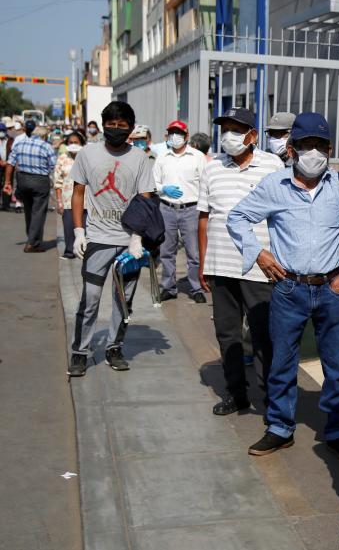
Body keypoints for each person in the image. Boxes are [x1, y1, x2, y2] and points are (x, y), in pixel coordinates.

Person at [227, 111, 339, 459]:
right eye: (304, 145)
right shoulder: (274, 186)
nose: (312, 152)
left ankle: (335, 428)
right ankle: (280, 427)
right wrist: (258, 254)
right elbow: (237, 217)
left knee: (335, 364)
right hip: (289, 289)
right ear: (293, 149)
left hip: (332, 289)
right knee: (282, 362)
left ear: (329, 148)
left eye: (319, 145)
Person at [197, 107, 285, 416]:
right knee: (227, 334)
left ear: (252, 135)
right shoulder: (211, 168)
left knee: (264, 336)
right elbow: (205, 218)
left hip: (260, 267)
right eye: (226, 129)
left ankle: (272, 399)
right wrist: (203, 261)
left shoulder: (272, 165)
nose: (229, 136)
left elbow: (282, 215)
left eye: (237, 129)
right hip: (221, 265)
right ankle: (236, 393)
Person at [66, 101, 155, 377]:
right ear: (103, 125)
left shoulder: (140, 159)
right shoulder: (87, 154)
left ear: (130, 128)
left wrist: (137, 238)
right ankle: (80, 352)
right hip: (98, 240)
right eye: (111, 124)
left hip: (129, 243)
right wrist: (79, 232)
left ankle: (114, 348)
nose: (116, 129)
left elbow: (145, 199)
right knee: (90, 299)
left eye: (122, 125)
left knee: (123, 300)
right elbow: (78, 193)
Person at [154, 120, 207, 304]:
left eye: (178, 133)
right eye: (171, 133)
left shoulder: (197, 157)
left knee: (193, 252)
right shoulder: (162, 157)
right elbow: (154, 183)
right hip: (166, 207)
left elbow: (205, 183)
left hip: (191, 209)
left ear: (186, 135)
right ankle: (169, 287)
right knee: (167, 251)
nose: (175, 136)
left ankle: (196, 287)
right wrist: (163, 189)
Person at [3, 119, 57, 252]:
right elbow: (52, 166)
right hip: (40, 181)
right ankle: (32, 243)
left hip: (23, 180)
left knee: (28, 210)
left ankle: (32, 239)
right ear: (43, 135)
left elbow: (10, 163)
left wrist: (7, 182)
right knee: (38, 211)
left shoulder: (20, 145)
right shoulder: (46, 147)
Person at [54, 131, 86, 260]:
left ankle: (84, 251)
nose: (73, 145)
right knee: (68, 226)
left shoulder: (86, 157)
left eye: (76, 142)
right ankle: (69, 251)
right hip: (67, 200)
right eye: (70, 142)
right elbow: (57, 181)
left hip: (86, 200)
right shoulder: (62, 158)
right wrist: (59, 201)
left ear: (81, 143)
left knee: (85, 227)